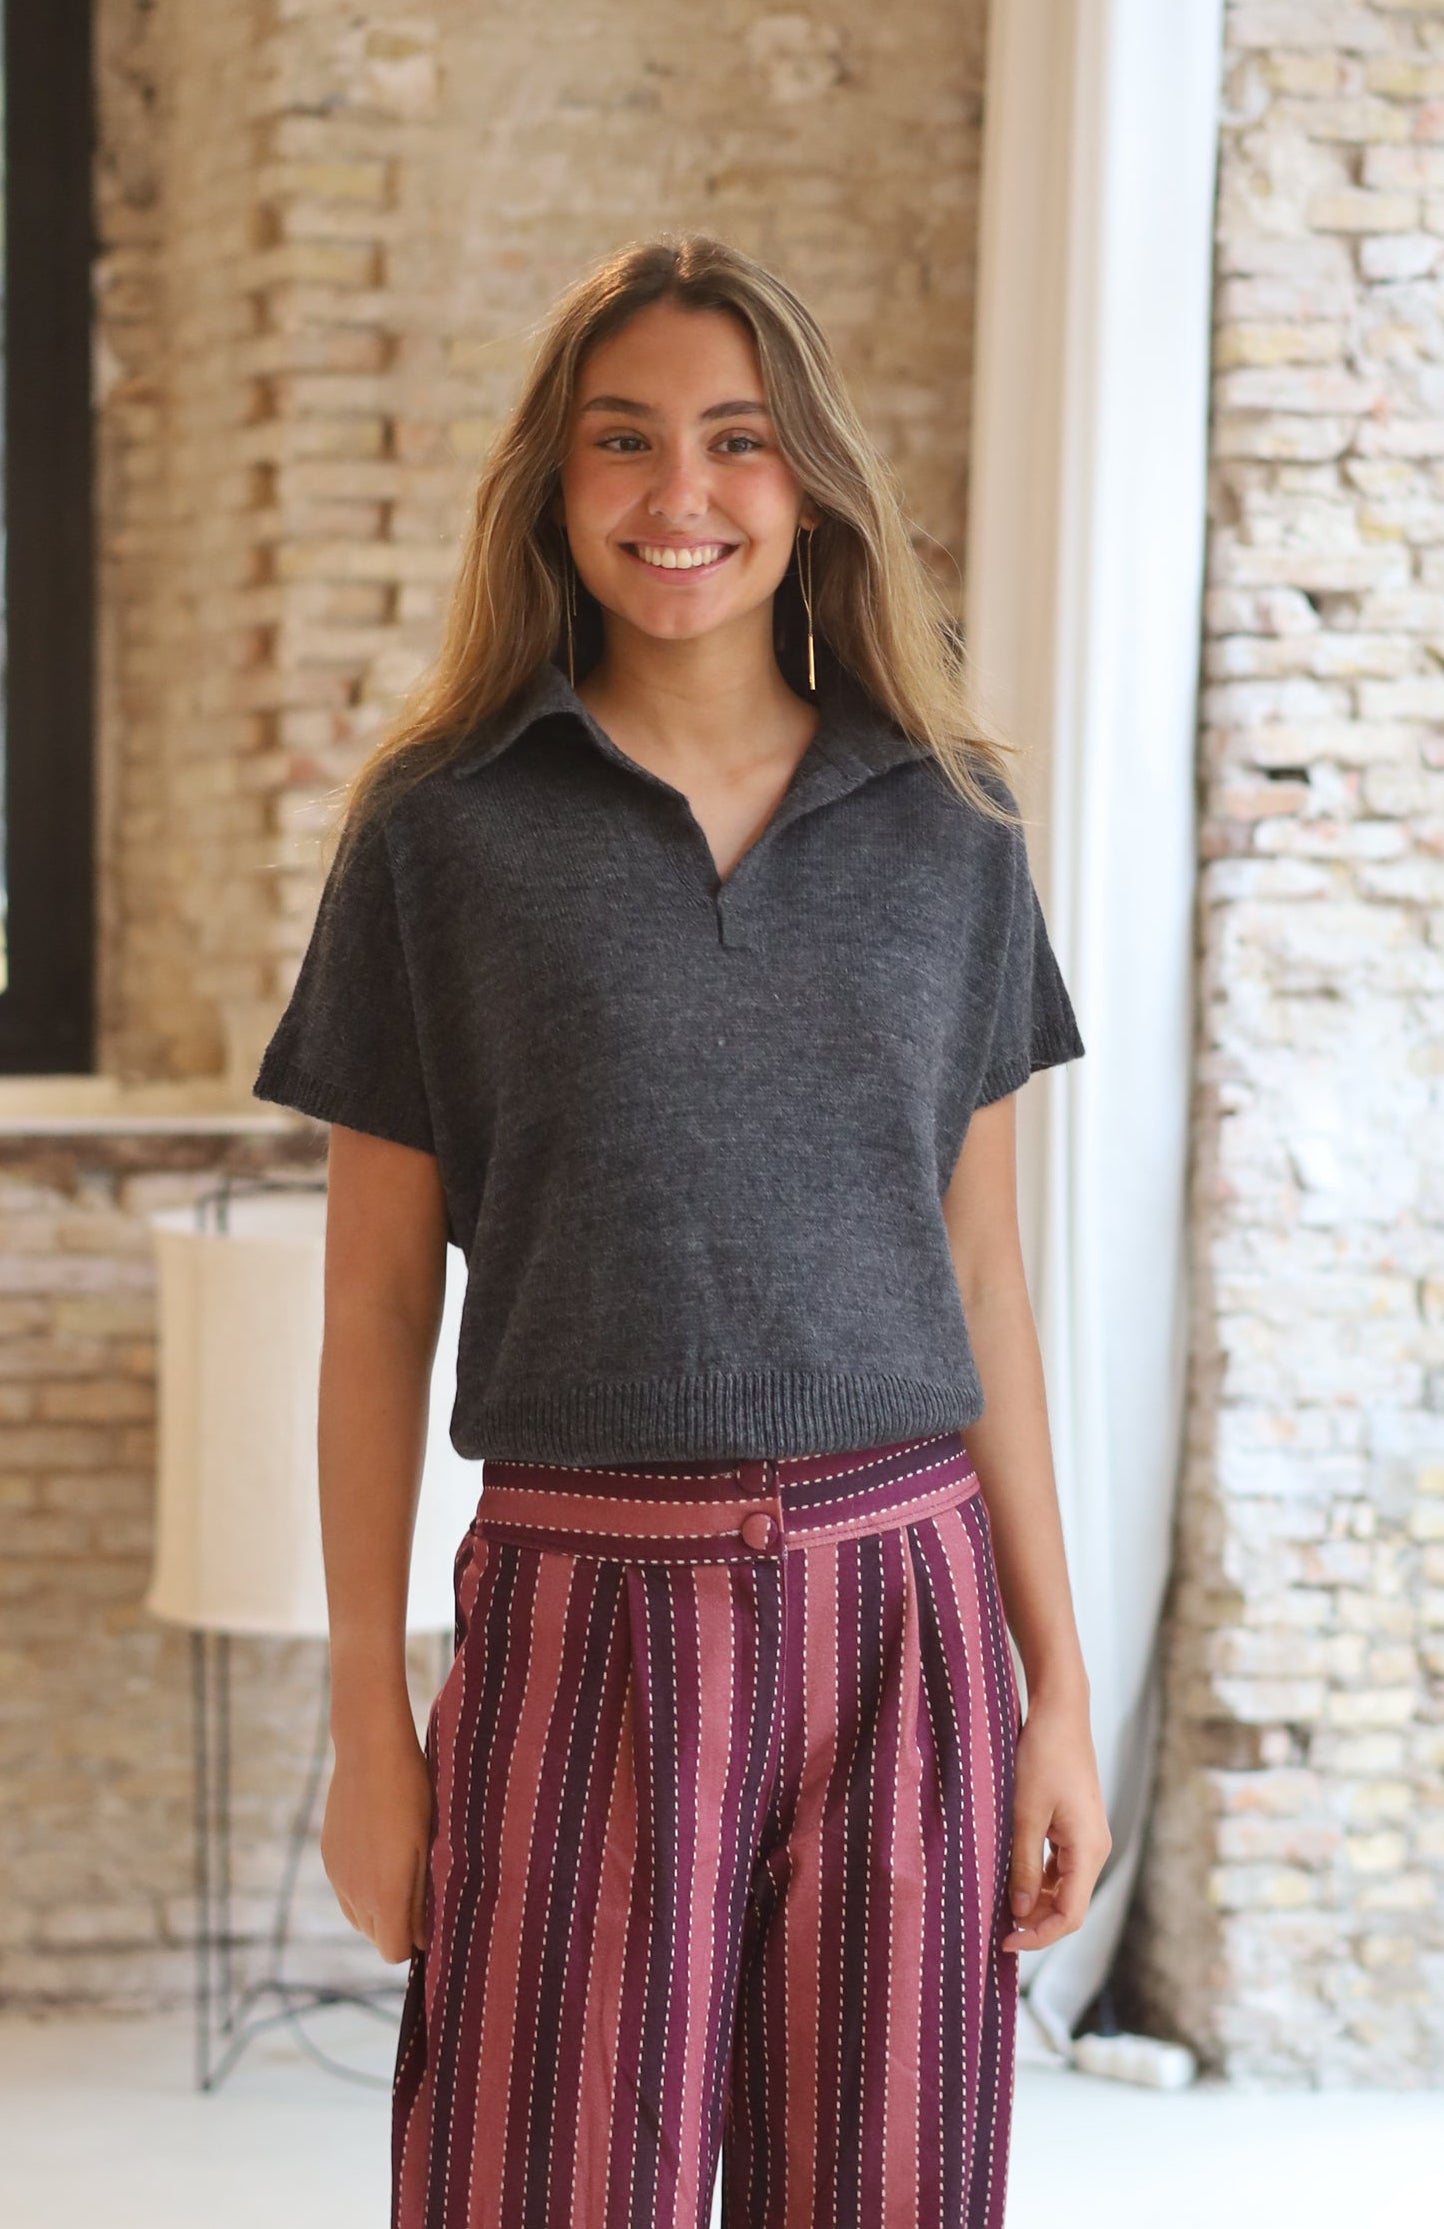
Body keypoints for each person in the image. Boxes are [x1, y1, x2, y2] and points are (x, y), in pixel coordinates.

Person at [253, 230, 1111, 2229]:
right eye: (622, 438)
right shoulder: (441, 828)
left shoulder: (949, 827)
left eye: (735, 438)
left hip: (902, 1617)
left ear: (805, 478)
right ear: (554, 483)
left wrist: (1055, 1685)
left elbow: (981, 1279)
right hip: (580, 1616)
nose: (680, 493)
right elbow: (372, 1307)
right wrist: (368, 1713)